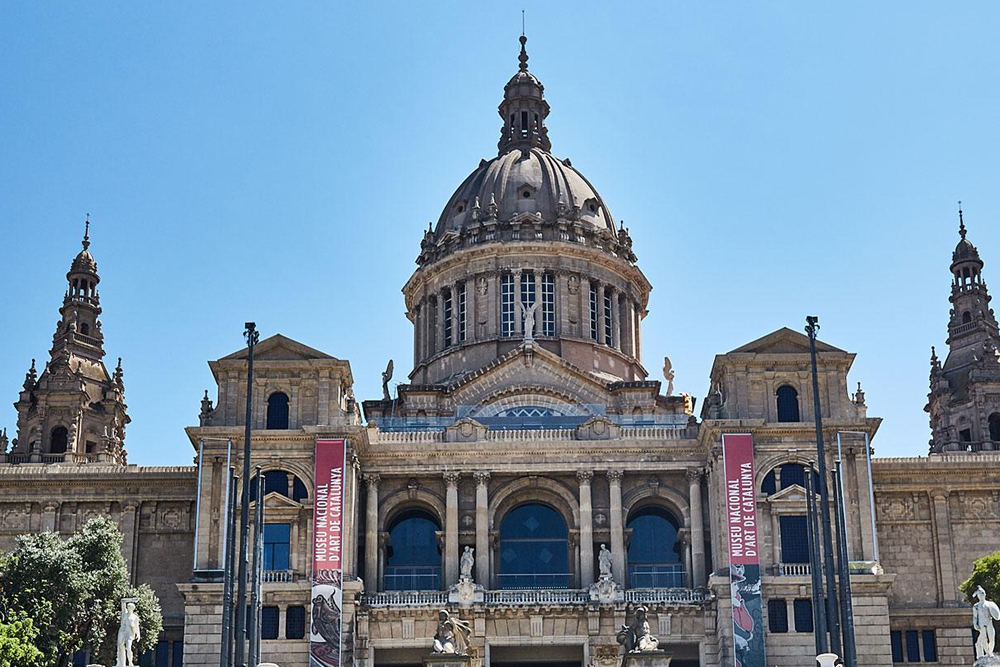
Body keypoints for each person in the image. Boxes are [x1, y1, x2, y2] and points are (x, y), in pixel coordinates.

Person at [973, 585, 1000, 658]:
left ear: (985, 594)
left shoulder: (990, 604)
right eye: (980, 594)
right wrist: (975, 624)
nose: (981, 595)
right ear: (978, 596)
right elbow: (975, 616)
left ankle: (990, 652)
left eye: (982, 593)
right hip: (982, 624)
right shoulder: (976, 606)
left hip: (989, 622)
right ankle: (988, 654)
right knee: (984, 639)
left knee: (992, 638)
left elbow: (996, 614)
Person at [116, 599, 141, 667]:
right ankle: (121, 663)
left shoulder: (135, 617)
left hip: (130, 634)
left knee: (128, 647)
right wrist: (131, 599)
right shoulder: (124, 614)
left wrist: (138, 634)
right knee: (120, 647)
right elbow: (122, 601)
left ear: (133, 608)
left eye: (130, 607)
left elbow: (136, 626)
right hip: (122, 632)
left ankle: (130, 662)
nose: (128, 608)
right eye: (128, 607)